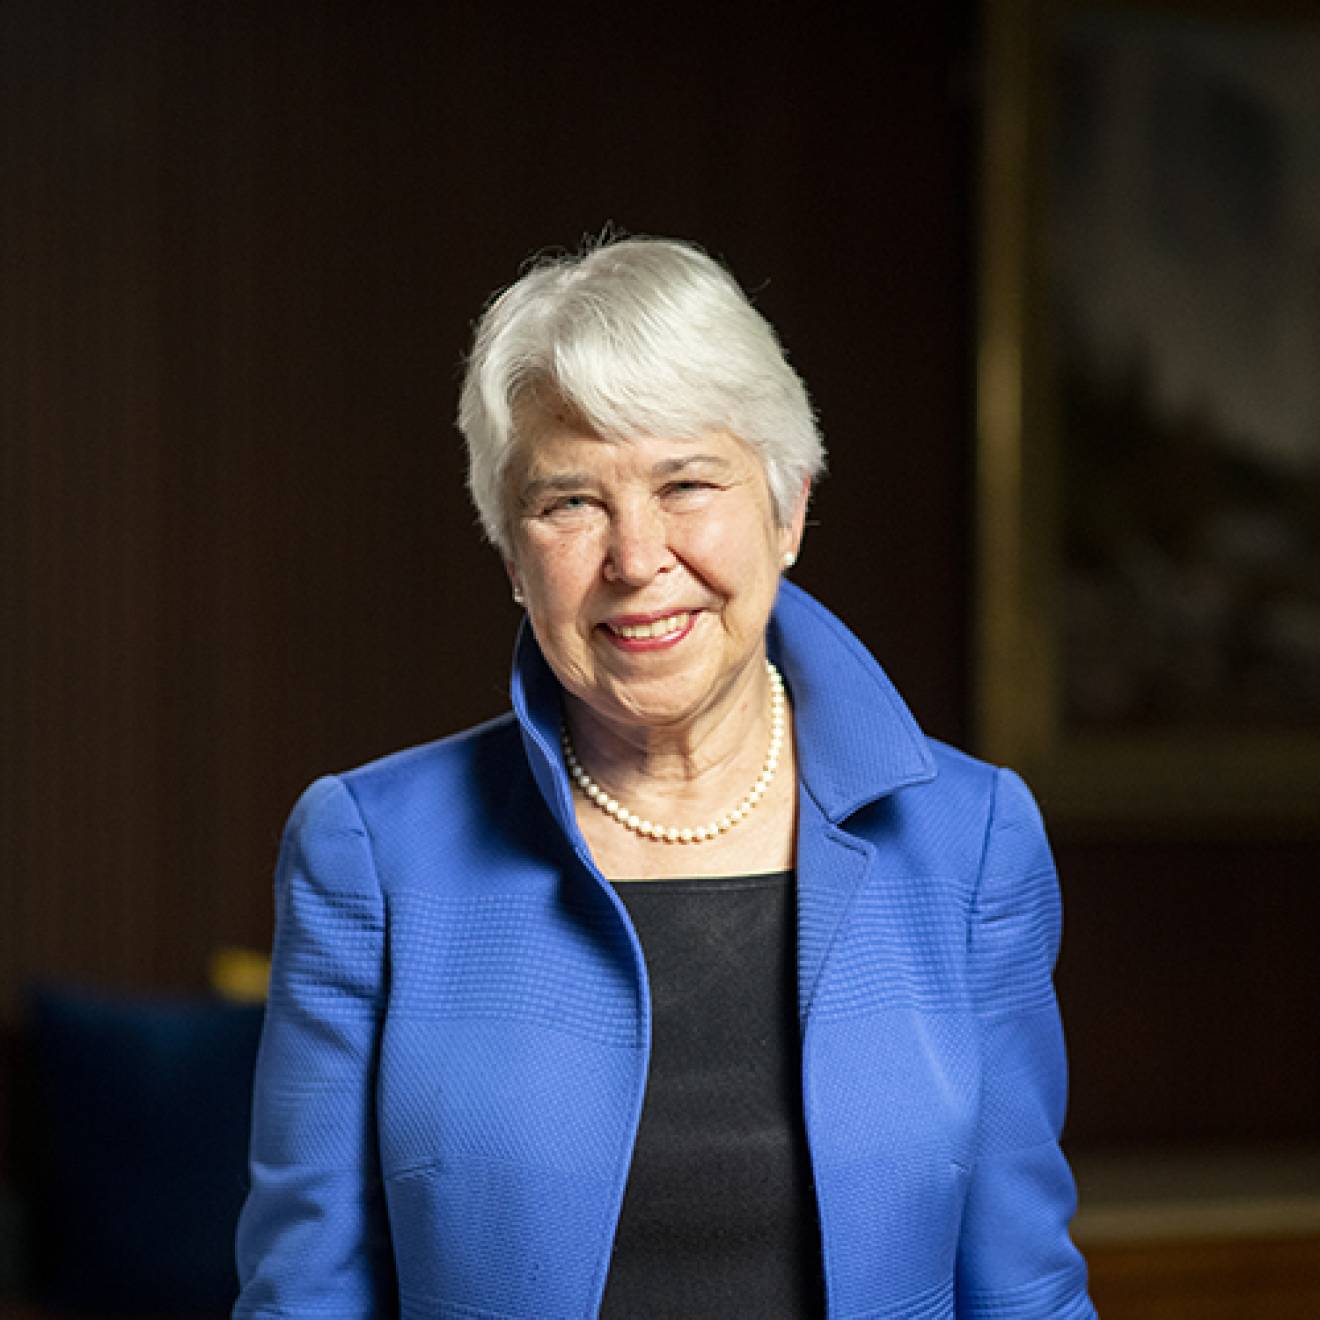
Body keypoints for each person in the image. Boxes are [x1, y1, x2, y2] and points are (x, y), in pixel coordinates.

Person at [234, 236, 1095, 1318]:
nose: (636, 558)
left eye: (687, 483)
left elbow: (1024, 1288)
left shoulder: (970, 841)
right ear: (511, 553)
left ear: (788, 511)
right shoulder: (369, 852)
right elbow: (303, 1295)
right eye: (569, 504)